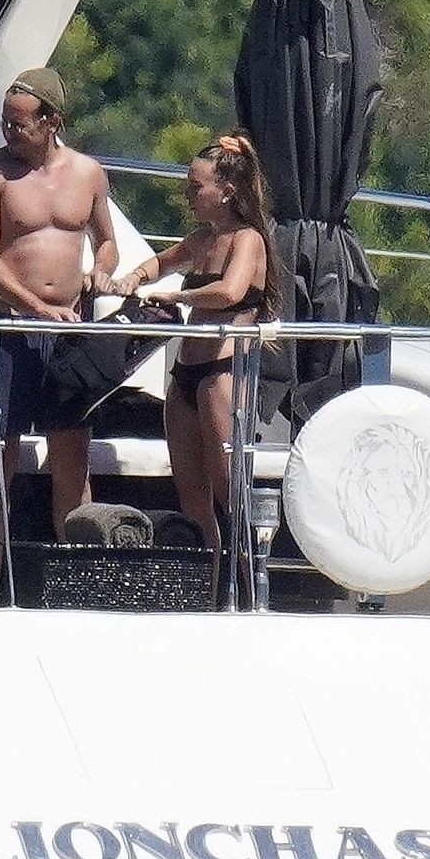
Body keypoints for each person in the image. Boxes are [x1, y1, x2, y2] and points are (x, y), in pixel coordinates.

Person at [0, 67, 119, 586]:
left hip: (68, 328)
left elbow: (106, 241)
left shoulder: (88, 173)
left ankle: (76, 583)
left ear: (52, 121)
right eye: (4, 122)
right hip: (6, 328)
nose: (8, 132)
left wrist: (101, 271)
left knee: (72, 456)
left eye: (19, 124)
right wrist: (34, 307)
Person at [107, 131, 279, 562]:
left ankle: (246, 578)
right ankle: (208, 577)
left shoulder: (247, 239)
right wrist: (136, 277)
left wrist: (178, 296)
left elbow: (229, 290)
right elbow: (161, 261)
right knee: (190, 491)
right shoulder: (201, 239)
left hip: (223, 371)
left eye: (195, 187)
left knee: (227, 486)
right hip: (185, 372)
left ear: (227, 191)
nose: (187, 195)